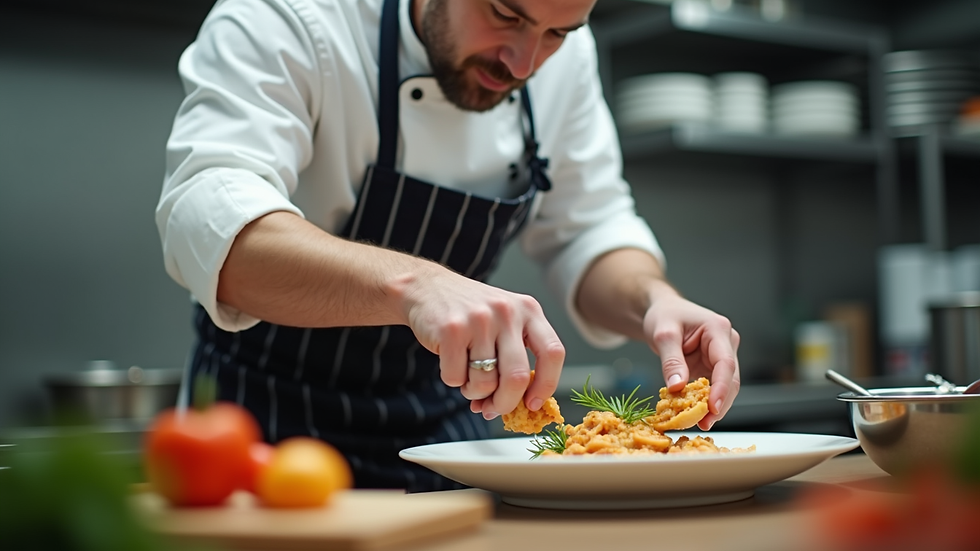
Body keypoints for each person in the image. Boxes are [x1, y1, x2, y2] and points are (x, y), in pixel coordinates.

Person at [156, 0, 741, 492]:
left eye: (557, 33)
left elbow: (589, 227)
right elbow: (208, 224)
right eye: (504, 14)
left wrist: (654, 301)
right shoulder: (291, 16)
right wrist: (417, 287)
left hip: (443, 432)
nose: (524, 62)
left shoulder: (562, 61)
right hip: (264, 429)